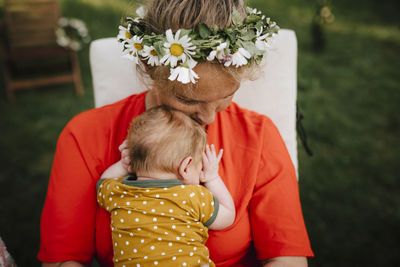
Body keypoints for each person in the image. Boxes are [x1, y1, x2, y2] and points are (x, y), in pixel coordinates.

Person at [39, 0, 314, 266]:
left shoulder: (260, 136)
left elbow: (286, 256)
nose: (208, 119)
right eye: (188, 100)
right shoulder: (86, 135)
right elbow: (65, 258)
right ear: (150, 69)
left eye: (225, 97)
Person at [97, 106, 235, 267]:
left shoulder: (120, 192)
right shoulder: (193, 195)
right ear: (186, 167)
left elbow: (102, 183)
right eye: (199, 167)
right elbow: (228, 215)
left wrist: (123, 165)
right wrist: (212, 178)